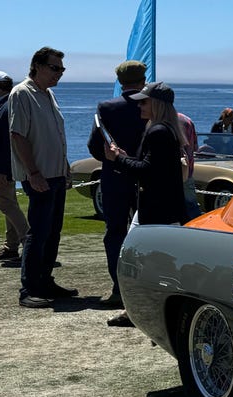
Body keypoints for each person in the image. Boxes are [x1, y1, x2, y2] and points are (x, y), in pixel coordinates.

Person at [104, 82, 188, 327]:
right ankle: (144, 311)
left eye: (144, 101)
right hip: (163, 209)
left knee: (135, 261)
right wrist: (125, 157)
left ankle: (138, 312)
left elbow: (148, 172)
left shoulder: (158, 131)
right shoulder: (167, 129)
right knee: (156, 264)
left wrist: (118, 158)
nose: (139, 105)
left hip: (156, 210)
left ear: (157, 105)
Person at [9, 46, 75, 308]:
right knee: (38, 232)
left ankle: (45, 280)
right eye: (54, 68)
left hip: (55, 173)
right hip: (40, 176)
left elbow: (55, 136)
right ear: (37, 65)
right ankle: (29, 289)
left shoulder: (47, 95)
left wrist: (65, 165)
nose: (58, 73)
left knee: (53, 231)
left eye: (61, 69)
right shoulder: (22, 93)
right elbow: (18, 135)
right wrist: (33, 173)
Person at [86, 60, 147, 309]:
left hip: (115, 178)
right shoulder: (152, 104)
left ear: (120, 82)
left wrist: (113, 161)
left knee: (115, 234)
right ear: (143, 80)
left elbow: (94, 144)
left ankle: (118, 287)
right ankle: (144, 286)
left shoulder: (107, 107)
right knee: (147, 233)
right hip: (146, 176)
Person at [0, 70, 28, 265]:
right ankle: (11, 246)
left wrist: (1, 170)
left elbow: (4, 144)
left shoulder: (2, 109)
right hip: (5, 167)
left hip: (0, 168)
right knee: (10, 205)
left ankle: (27, 242)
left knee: (7, 205)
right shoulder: (8, 105)